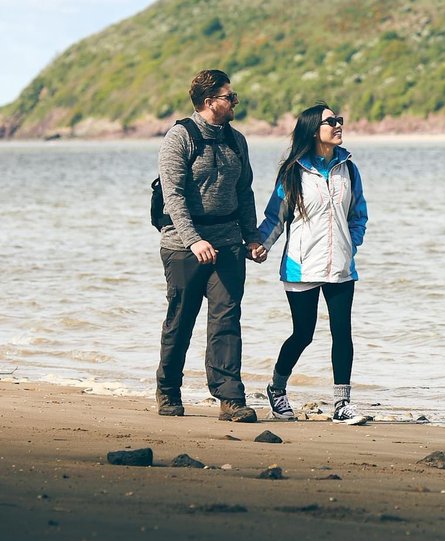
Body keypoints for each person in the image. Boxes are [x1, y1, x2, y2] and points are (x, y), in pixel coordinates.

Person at [156, 69, 263, 422]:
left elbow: (244, 192)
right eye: (229, 97)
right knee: (181, 319)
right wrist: (194, 240)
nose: (235, 102)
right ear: (208, 103)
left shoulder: (237, 141)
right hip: (183, 243)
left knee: (227, 319)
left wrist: (252, 237)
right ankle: (168, 390)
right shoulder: (180, 137)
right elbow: (173, 196)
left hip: (229, 241)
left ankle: (230, 398)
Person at [256, 103, 369, 425]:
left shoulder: (348, 168)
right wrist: (261, 246)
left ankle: (342, 404)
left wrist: (352, 242)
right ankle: (276, 389)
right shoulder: (293, 171)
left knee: (342, 332)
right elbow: (275, 216)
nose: (338, 125)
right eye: (330, 121)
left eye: (339, 120)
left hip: (341, 266)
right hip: (301, 264)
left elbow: (358, 214)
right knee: (302, 333)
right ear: (312, 129)